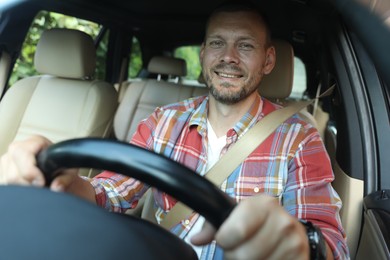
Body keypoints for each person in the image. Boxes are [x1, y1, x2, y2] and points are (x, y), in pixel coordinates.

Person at [0, 1, 349, 259]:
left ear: (268, 61)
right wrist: (55, 178)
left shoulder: (298, 137)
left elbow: (332, 245)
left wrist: (303, 245)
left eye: (245, 45)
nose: (228, 57)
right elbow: (110, 194)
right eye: (217, 43)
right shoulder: (163, 121)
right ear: (203, 53)